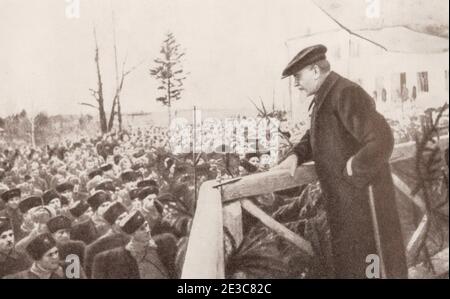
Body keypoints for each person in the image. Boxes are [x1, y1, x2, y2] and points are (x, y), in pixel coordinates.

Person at [277, 44, 407, 278]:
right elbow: (317, 133)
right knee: (354, 263)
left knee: (372, 264)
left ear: (315, 71)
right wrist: (296, 154)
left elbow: (382, 139)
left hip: (366, 202)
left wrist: (352, 170)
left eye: (298, 76)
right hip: (348, 204)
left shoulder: (346, 92)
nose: (295, 83)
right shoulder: (327, 94)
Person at [92, 210, 169, 279]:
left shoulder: (159, 246)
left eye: (146, 225)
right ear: (132, 234)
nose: (147, 230)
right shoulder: (124, 256)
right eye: (142, 229)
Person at [84, 202, 129, 278]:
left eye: (126, 217)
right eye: (120, 218)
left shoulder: (136, 235)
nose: (125, 221)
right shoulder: (97, 247)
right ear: (112, 224)